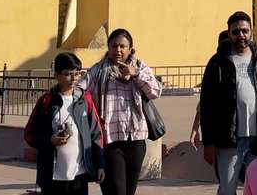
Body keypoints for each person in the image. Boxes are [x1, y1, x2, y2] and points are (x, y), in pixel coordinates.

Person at [201, 12, 257, 195]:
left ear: (252, 31)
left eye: (244, 30)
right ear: (229, 34)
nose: (241, 35)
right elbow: (207, 104)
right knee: (227, 189)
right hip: (229, 141)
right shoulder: (218, 63)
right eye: (236, 32)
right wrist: (209, 143)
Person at [78, 29, 163, 195]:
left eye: (122, 46)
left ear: (130, 49)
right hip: (109, 141)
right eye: (114, 46)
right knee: (117, 191)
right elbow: (80, 88)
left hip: (135, 140)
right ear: (108, 48)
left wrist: (136, 75)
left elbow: (155, 91)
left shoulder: (139, 67)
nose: (118, 50)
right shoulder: (99, 70)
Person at [26, 52, 107, 194]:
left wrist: (100, 164)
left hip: (79, 174)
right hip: (52, 175)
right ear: (56, 74)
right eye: (68, 74)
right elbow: (29, 135)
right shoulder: (46, 101)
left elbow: (96, 134)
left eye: (77, 74)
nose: (73, 78)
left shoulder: (85, 99)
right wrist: (50, 140)